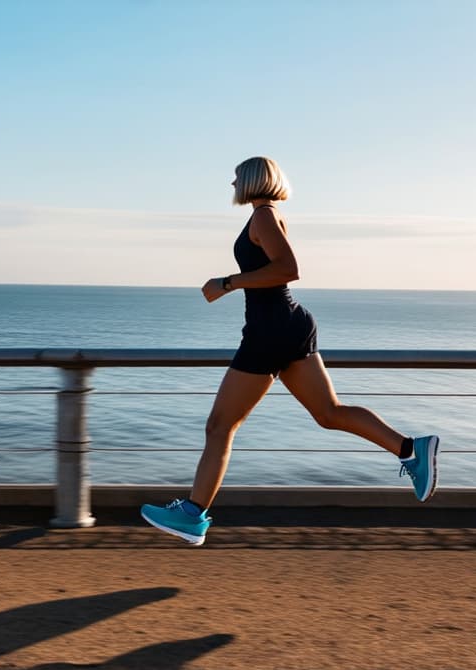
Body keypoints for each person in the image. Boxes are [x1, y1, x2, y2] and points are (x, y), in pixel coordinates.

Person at [141, 156, 440, 545]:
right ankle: (410, 449)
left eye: (237, 177)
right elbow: (277, 270)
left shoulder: (264, 216)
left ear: (252, 180)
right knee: (329, 413)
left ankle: (194, 515)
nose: (232, 183)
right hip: (284, 326)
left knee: (219, 426)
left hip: (271, 332)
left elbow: (288, 268)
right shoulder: (265, 216)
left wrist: (227, 282)